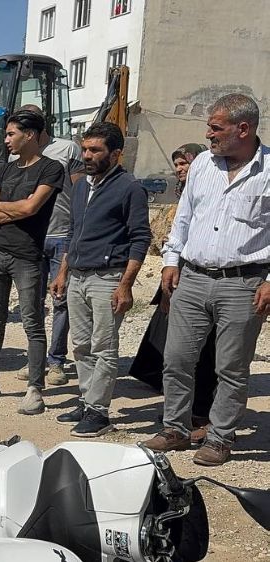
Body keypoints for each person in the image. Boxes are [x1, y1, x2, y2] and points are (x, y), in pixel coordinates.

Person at [142, 93, 270, 467]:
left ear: (242, 128)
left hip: (243, 283)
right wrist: (170, 259)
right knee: (177, 358)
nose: (208, 134)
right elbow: (184, 217)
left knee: (230, 367)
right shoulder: (201, 166)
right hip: (193, 278)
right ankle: (176, 428)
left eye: (216, 127)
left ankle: (220, 437)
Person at [48, 122, 151, 437]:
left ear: (116, 154)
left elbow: (140, 238)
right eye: (85, 149)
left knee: (104, 346)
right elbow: (73, 232)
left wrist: (126, 284)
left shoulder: (129, 188)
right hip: (78, 275)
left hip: (108, 278)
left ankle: (99, 412)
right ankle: (86, 399)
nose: (87, 155)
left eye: (95, 150)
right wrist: (63, 272)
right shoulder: (81, 186)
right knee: (80, 344)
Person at [0, 110, 64, 415]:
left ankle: (35, 389)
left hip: (28, 256)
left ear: (30, 134)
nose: (6, 140)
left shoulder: (50, 169)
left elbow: (33, 207)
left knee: (32, 323)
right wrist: (12, 208)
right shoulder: (2, 170)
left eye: (11, 134)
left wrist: (3, 207)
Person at [129, 143, 217, 445]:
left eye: (185, 163)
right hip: (177, 275)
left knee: (205, 354)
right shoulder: (181, 197)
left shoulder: (210, 192)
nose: (180, 169)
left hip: (200, 279)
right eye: (177, 164)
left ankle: (201, 415)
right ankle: (177, 416)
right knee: (175, 352)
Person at [17, 104, 86, 386]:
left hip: (60, 235)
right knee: (32, 302)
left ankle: (56, 361)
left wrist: (77, 230)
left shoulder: (67, 149)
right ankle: (35, 358)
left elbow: (80, 191)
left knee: (61, 301)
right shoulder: (19, 152)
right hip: (31, 237)